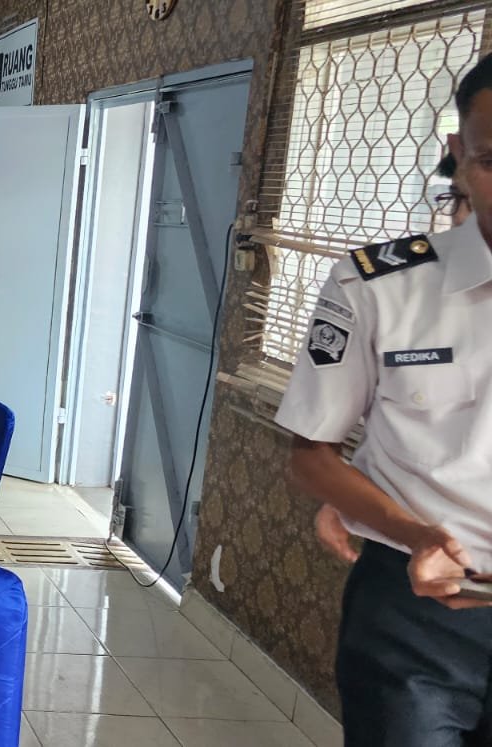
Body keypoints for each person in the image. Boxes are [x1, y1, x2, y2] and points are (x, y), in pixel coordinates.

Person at [277, 56, 492, 744]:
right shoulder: (378, 285)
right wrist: (412, 531)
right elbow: (312, 453)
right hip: (414, 614)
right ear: (460, 153)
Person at [314, 151, 474, 565]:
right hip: (407, 558)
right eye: (458, 199)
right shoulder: (404, 294)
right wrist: (356, 499)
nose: (462, 219)